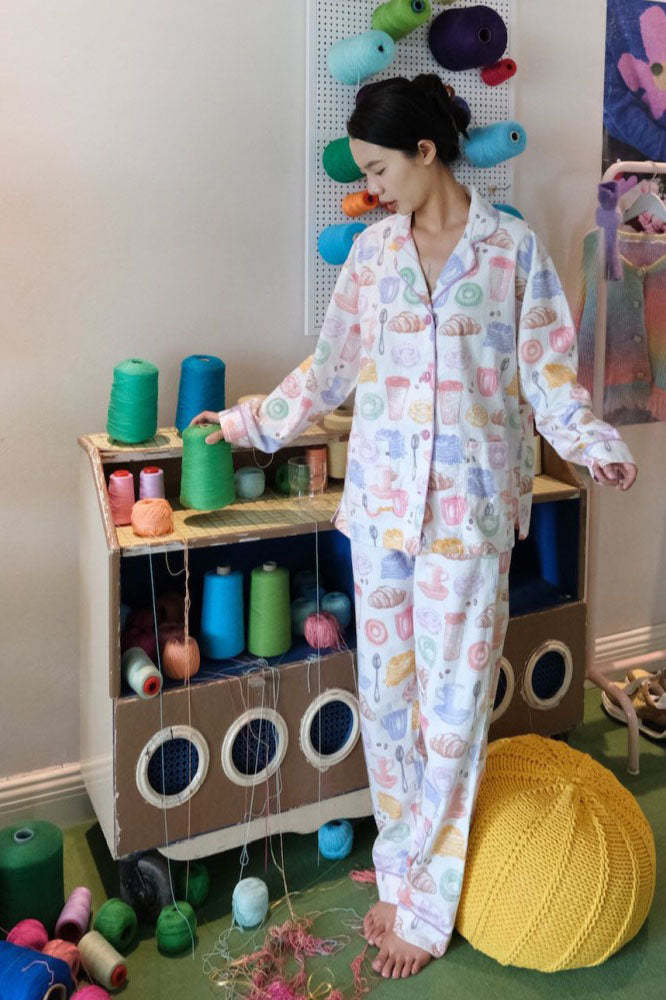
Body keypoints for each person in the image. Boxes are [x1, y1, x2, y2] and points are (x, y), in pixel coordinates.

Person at [191, 74, 638, 979]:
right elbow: (329, 369)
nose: (371, 187)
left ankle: (428, 912)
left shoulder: (512, 253)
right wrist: (246, 424)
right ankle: (398, 874)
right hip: (382, 514)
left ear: (426, 152)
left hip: (468, 520)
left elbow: (549, 375)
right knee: (389, 709)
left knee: (452, 719)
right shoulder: (372, 256)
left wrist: (592, 444)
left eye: (378, 169)